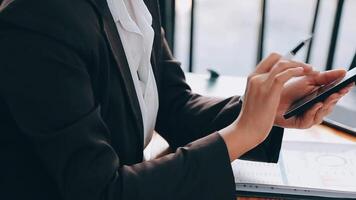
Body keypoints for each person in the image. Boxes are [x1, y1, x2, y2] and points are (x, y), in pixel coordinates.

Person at [0, 0, 352, 200]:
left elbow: (174, 105)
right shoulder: (41, 22)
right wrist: (242, 133)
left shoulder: (134, 3)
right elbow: (102, 192)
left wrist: (265, 111)